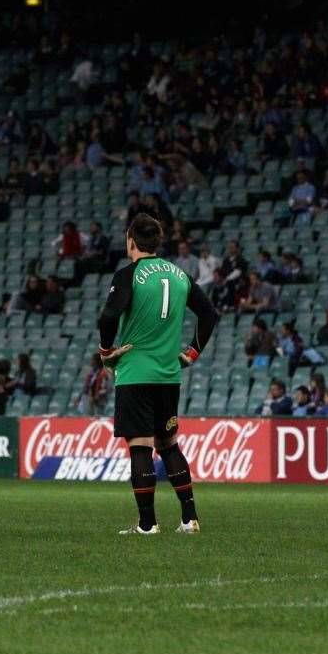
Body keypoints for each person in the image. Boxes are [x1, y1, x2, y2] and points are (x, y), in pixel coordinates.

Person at [97, 213, 220, 535]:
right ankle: (189, 519)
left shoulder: (130, 274)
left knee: (140, 447)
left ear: (131, 242)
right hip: (168, 375)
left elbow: (108, 316)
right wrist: (191, 352)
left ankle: (147, 524)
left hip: (135, 373)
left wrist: (106, 352)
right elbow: (209, 314)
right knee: (168, 445)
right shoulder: (180, 275)